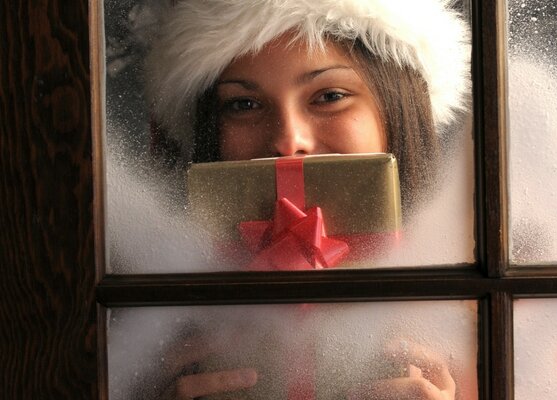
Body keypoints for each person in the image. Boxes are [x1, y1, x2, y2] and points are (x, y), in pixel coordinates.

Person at [142, 0, 471, 398]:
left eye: (330, 95)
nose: (289, 139)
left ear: (397, 111)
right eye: (243, 104)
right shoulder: (148, 318)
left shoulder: (481, 317)